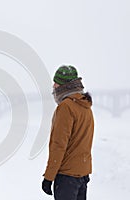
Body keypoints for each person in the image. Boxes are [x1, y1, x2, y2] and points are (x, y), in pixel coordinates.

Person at [42, 65, 94, 200]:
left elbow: (59, 145)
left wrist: (49, 177)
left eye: (56, 83)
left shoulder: (66, 107)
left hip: (67, 177)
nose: (53, 86)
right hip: (82, 174)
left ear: (64, 86)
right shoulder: (86, 107)